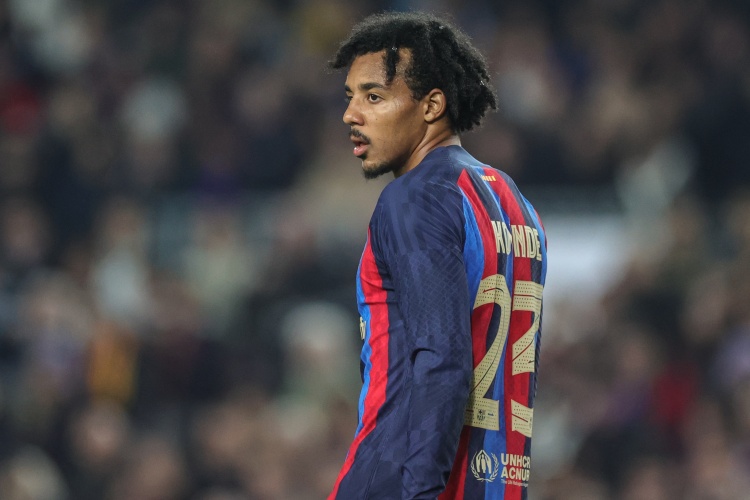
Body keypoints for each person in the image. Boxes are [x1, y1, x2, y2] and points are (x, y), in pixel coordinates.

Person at [327, 11, 547, 499]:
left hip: (403, 481)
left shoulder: (415, 197)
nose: (351, 115)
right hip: (499, 484)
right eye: (350, 97)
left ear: (431, 106)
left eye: (374, 96)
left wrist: (417, 491)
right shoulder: (517, 204)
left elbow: (444, 359)